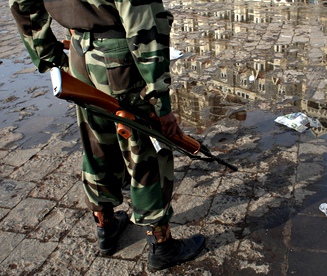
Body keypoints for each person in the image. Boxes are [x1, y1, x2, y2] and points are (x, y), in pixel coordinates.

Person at [9, 0, 205, 271]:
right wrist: (160, 102)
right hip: (120, 59)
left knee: (96, 144)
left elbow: (23, 4)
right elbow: (143, 23)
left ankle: (107, 227)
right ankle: (163, 245)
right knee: (145, 153)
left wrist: (48, 55)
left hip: (79, 53)